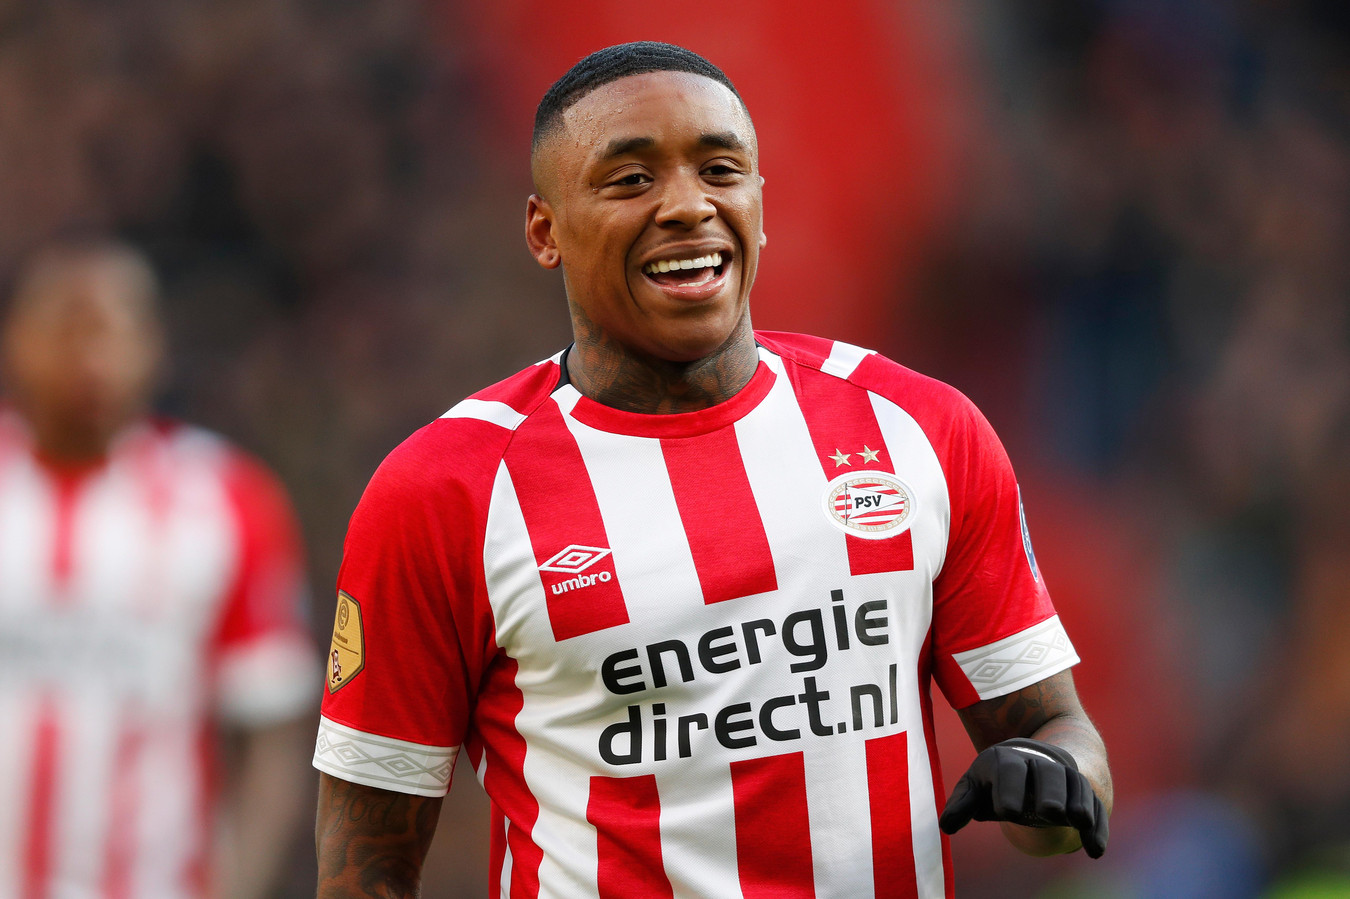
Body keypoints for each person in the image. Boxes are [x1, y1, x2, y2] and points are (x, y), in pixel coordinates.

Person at [313, 41, 1112, 897]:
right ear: (546, 232)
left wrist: (1054, 781)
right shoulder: (445, 491)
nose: (689, 206)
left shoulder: (920, 430)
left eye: (721, 171)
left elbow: (1060, 742)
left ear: (759, 205)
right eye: (632, 180)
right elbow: (366, 865)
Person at [0, 240, 316, 899]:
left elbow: (270, 729)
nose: (90, 359)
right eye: (65, 328)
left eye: (112, 331)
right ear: (15, 341)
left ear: (153, 346)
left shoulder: (227, 498)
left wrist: (236, 883)